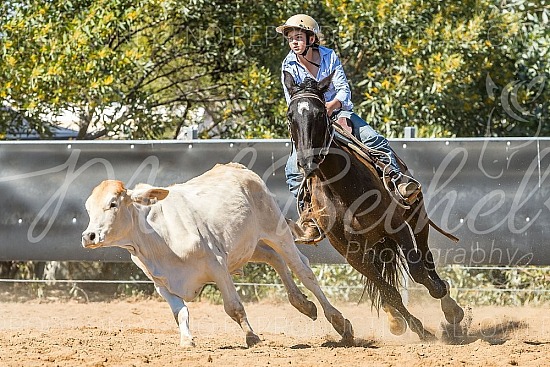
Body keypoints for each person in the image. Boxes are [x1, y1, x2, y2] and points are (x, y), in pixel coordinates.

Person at [276, 14, 421, 244]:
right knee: (293, 169)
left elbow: (343, 89)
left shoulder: (329, 56)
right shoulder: (288, 65)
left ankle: (397, 181)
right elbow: (292, 100)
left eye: (298, 37)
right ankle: (310, 217)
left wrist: (334, 107)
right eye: (291, 38)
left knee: (374, 139)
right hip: (311, 124)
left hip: (338, 113)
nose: (294, 42)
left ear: (311, 38)